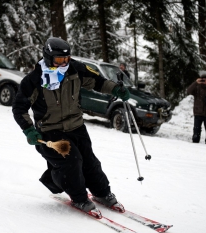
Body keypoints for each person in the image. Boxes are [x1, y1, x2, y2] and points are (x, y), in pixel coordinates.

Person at [12, 37, 130, 213]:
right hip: (50, 131)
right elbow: (19, 107)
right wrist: (29, 129)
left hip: (76, 126)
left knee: (89, 161)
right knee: (72, 162)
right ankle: (79, 198)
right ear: (48, 57)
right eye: (59, 60)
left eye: (66, 59)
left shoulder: (75, 69)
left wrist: (115, 89)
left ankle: (102, 193)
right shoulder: (34, 79)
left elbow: (98, 81)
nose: (63, 63)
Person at [187, 74, 206, 145]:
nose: (203, 81)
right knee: (196, 130)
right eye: (202, 79)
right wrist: (196, 82)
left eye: (205, 79)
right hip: (198, 113)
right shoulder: (197, 88)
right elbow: (188, 91)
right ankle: (195, 142)